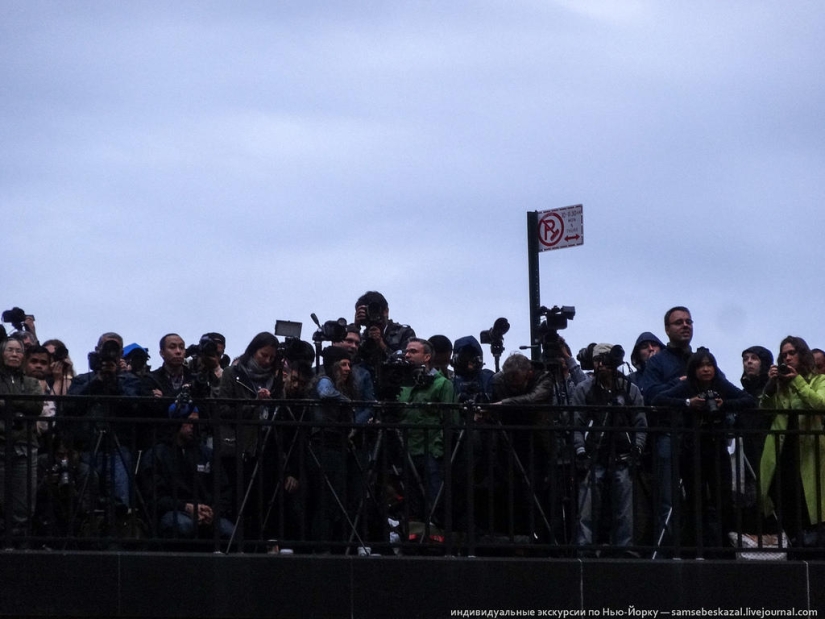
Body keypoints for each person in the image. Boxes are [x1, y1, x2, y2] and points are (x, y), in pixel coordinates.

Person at [653, 348, 756, 553]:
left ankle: (724, 547)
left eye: (710, 365)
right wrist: (688, 403)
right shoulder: (687, 386)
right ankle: (696, 548)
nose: (706, 369)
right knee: (694, 499)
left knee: (723, 498)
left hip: (717, 448)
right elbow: (659, 400)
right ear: (694, 369)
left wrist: (723, 404)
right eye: (701, 366)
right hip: (692, 449)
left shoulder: (720, 384)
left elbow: (749, 400)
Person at [572, 343, 646, 555]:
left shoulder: (629, 389)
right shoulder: (584, 389)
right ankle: (584, 549)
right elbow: (576, 424)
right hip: (593, 456)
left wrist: (637, 449)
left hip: (623, 456)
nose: (602, 364)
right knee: (587, 508)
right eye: (598, 360)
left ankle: (625, 549)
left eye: (606, 359)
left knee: (625, 508)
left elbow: (641, 423)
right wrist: (580, 452)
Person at [759, 336, 825, 549]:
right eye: (784, 354)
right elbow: (765, 410)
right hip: (781, 448)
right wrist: (770, 386)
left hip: (808, 450)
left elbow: (819, 404)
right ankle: (793, 542)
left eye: (791, 353)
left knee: (809, 499)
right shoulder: (780, 384)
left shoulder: (818, 380)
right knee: (784, 494)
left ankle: (810, 546)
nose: (787, 358)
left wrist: (797, 381)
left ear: (802, 355)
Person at [217, 332, 283, 546]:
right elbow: (224, 409)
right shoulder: (232, 373)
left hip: (267, 443)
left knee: (266, 498)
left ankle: (265, 542)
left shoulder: (277, 377)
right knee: (241, 497)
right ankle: (241, 543)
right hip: (241, 445)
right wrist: (254, 403)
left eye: (272, 358)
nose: (267, 361)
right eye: (264, 355)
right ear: (253, 350)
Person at [67, 333, 144, 510]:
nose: (110, 353)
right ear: (97, 350)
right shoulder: (82, 380)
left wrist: (115, 382)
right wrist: (97, 381)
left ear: (121, 353)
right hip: (87, 446)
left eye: (114, 349)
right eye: (106, 348)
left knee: (121, 499)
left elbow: (134, 408)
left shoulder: (130, 380)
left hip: (118, 446)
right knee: (84, 500)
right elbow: (70, 406)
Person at [639, 306, 695, 550]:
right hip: (668, 434)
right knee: (667, 500)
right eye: (679, 322)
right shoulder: (658, 362)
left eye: (688, 321)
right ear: (667, 329)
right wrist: (679, 384)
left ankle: (697, 549)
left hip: (698, 436)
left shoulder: (700, 360)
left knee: (699, 499)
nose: (685, 325)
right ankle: (667, 552)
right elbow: (649, 394)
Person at [139, 405, 234, 542]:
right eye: (189, 421)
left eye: (196, 422)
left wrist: (212, 511)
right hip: (175, 511)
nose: (193, 426)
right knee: (183, 526)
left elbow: (224, 491)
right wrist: (186, 507)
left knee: (228, 531)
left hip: (205, 512)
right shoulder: (157, 454)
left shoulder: (206, 454)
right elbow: (154, 497)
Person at [397, 338, 456, 526]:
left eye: (413, 351)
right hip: (407, 449)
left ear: (427, 356)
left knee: (435, 498)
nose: (407, 355)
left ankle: (437, 536)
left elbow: (451, 421)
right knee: (411, 499)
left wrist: (438, 448)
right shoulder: (403, 384)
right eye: (406, 351)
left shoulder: (442, 384)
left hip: (432, 450)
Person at [0, 337, 44, 540]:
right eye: (10, 350)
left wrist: (7, 402)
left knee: (24, 501)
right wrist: (21, 403)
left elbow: (36, 405)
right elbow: (28, 404)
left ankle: (20, 542)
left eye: (19, 351)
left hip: (26, 445)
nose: (15, 354)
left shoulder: (32, 382)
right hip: (1, 443)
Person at [353, 291, 415, 372]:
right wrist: (355, 329)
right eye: (367, 311)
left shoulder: (403, 332)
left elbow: (405, 362)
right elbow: (352, 362)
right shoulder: (360, 337)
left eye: (373, 310)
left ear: (386, 311)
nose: (371, 315)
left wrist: (381, 343)